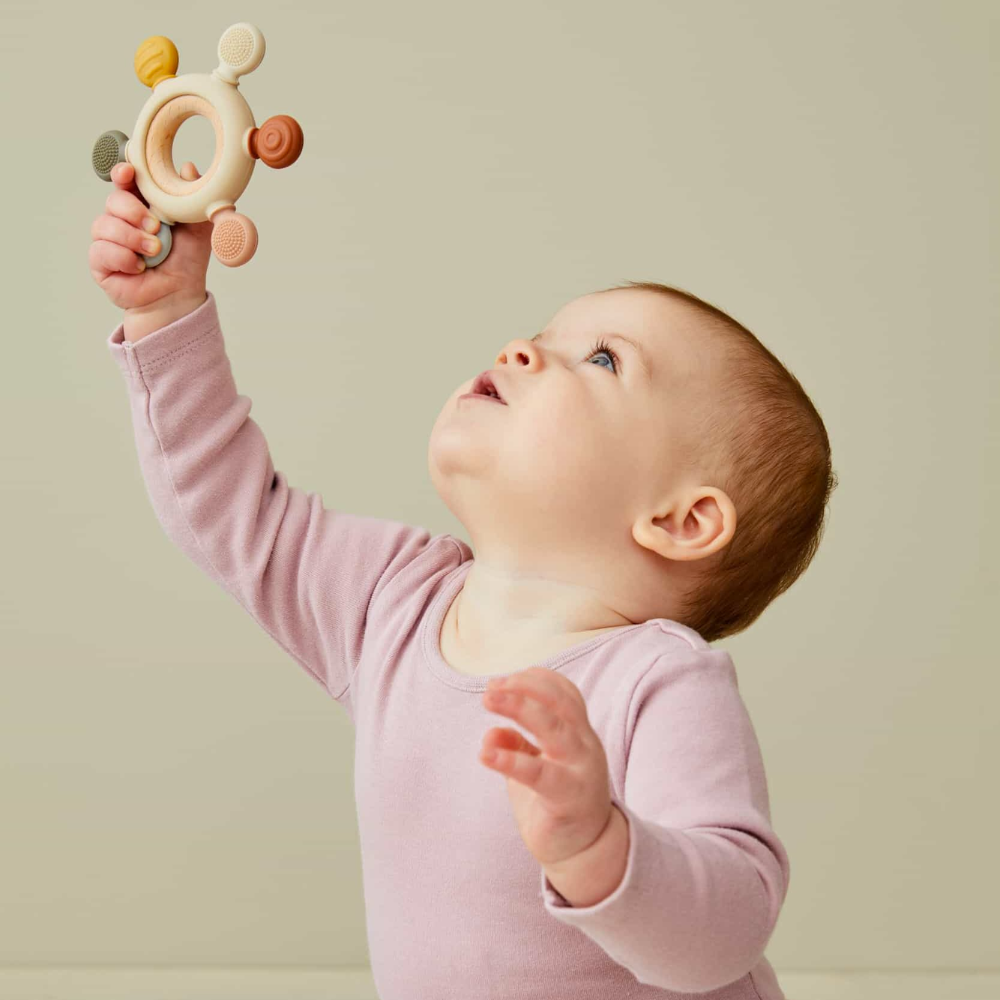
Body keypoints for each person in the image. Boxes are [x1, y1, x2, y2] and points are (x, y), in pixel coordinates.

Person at [89, 160, 837, 999]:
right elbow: (230, 515)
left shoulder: (659, 679)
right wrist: (166, 311)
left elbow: (724, 937)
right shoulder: (392, 601)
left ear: (678, 519)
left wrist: (601, 846)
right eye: (543, 333)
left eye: (600, 360)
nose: (522, 348)